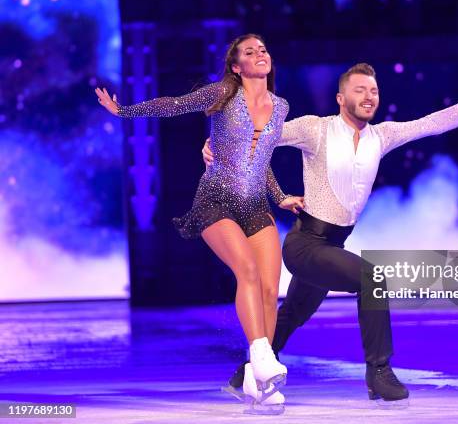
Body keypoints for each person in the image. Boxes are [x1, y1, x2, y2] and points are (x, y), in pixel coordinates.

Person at [203, 63, 458, 403]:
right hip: (305, 243)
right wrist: (217, 143)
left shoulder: (382, 136)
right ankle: (379, 372)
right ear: (341, 98)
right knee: (372, 279)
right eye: (360, 90)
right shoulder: (317, 130)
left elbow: (434, 122)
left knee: (293, 314)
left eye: (373, 91)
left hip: (332, 245)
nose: (369, 97)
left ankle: (248, 372)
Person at [95, 34, 305, 414]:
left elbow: (262, 159)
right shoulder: (224, 93)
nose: (260, 54)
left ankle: (255, 380)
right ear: (237, 67)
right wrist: (124, 111)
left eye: (263, 49)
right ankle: (260, 356)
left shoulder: (280, 106)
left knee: (271, 288)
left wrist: (281, 196)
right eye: (249, 52)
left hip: (256, 203)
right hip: (215, 200)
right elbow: (173, 104)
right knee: (248, 272)